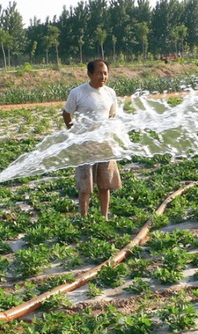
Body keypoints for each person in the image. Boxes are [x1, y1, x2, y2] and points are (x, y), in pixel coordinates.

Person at [62, 59, 122, 219]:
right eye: (99, 73)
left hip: (104, 144)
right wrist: (74, 132)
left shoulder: (110, 93)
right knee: (85, 186)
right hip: (85, 145)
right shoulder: (78, 92)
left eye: (105, 73)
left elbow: (111, 113)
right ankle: (84, 217)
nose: (103, 77)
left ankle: (104, 216)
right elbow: (67, 113)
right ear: (89, 74)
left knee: (105, 184)